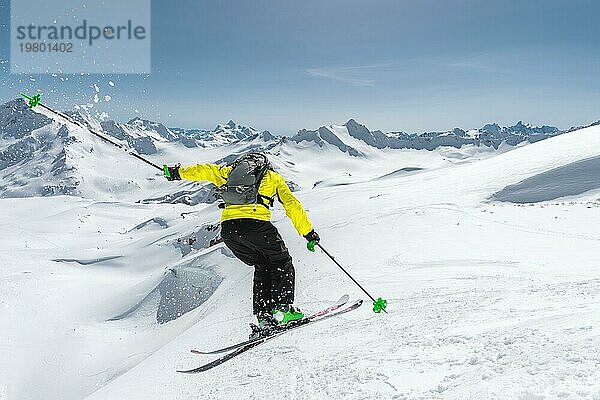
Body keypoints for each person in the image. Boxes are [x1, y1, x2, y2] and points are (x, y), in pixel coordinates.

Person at [164, 152, 320, 338]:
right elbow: (292, 205)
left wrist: (177, 173)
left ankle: (264, 317)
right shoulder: (272, 177)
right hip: (257, 226)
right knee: (281, 262)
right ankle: (283, 310)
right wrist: (308, 233)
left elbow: (204, 171)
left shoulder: (229, 173)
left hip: (229, 230)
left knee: (263, 266)